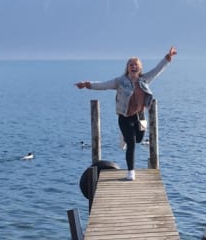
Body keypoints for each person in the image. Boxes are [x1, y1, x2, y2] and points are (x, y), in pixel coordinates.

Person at [76, 46, 177, 180]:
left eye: (135, 65)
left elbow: (158, 70)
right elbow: (103, 85)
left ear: (139, 68)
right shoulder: (120, 81)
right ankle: (131, 171)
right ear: (127, 67)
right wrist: (87, 85)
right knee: (131, 143)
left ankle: (125, 137)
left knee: (139, 139)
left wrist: (167, 58)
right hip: (125, 117)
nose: (133, 67)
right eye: (131, 65)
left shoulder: (145, 79)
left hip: (140, 117)